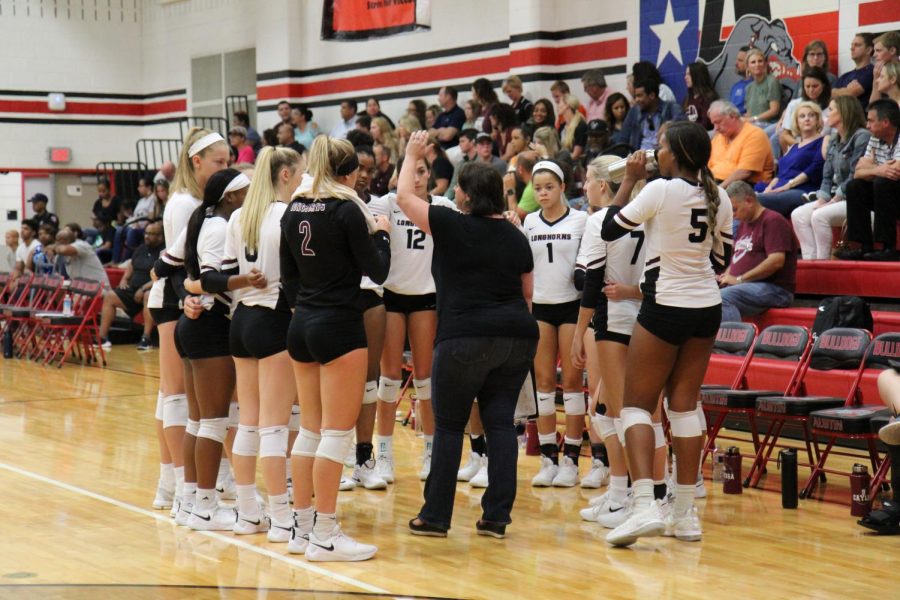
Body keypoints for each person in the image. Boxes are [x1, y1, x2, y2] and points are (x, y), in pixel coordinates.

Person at [398, 130, 537, 539]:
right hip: (517, 337)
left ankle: (436, 517)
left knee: (447, 426)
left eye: (459, 188)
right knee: (499, 424)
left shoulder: (450, 224)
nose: (455, 193)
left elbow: (406, 198)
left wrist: (409, 154)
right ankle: (496, 518)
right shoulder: (516, 234)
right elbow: (529, 295)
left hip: (463, 336)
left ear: (470, 197)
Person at [600, 121, 733, 547]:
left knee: (636, 406)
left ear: (674, 154)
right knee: (684, 408)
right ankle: (684, 513)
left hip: (666, 306)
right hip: (706, 308)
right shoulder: (722, 195)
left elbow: (609, 231)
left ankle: (642, 507)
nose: (655, 152)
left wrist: (632, 182)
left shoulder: (659, 189)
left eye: (660, 147)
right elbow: (722, 258)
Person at [280, 135, 391, 561]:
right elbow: (378, 271)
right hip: (340, 325)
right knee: (336, 433)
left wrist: (303, 308)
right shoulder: (347, 209)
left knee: (309, 429)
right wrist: (381, 235)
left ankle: (301, 528)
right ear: (347, 172)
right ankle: (325, 533)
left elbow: (288, 275)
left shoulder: (294, 207)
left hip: (302, 324)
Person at [202, 147, 303, 541]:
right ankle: (280, 518)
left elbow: (224, 276)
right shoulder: (285, 215)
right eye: (298, 176)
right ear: (283, 176)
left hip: (240, 322)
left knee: (247, 423)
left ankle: (247, 513)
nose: (299, 183)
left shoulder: (239, 216)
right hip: (275, 320)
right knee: (275, 428)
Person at [154, 168, 250, 532]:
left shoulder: (200, 218)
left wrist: (186, 296)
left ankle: (190, 501)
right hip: (211, 327)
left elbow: (164, 266)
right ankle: (207, 506)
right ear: (230, 197)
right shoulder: (220, 227)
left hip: (191, 326)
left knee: (198, 421)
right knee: (212, 421)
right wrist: (243, 283)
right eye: (245, 193)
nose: (249, 198)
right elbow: (211, 278)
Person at [147, 127, 229, 517]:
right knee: (178, 396)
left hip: (180, 300)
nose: (225, 169)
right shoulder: (184, 203)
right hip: (174, 302)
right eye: (219, 162)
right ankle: (182, 485)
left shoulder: (196, 200)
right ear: (196, 162)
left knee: (172, 396)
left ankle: (169, 484)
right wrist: (188, 298)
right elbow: (177, 263)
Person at [369, 156, 455, 483]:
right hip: (391, 296)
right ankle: (385, 453)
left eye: (422, 172)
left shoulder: (443, 205)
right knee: (389, 379)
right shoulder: (387, 203)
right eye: (411, 172)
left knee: (425, 379)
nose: (417, 179)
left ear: (430, 174)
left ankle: (431, 451)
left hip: (426, 298)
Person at [572, 155, 648, 524]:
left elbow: (590, 283)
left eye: (588, 179)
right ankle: (626, 491)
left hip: (612, 319)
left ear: (605, 184)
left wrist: (577, 333)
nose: (584, 186)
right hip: (648, 320)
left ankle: (628, 494)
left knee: (609, 413)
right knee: (627, 412)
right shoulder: (650, 212)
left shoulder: (600, 220)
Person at [522, 160, 588, 487]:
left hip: (571, 307)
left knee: (573, 383)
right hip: (541, 309)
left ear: (563, 186)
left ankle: (572, 459)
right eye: (538, 188)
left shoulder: (581, 220)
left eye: (549, 187)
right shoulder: (530, 222)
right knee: (544, 384)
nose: (543, 193)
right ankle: (548, 457)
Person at [792, 96, 870, 260]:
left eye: (832, 109)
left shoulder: (861, 136)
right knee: (798, 215)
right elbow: (826, 176)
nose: (828, 113)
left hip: (854, 198)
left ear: (843, 113)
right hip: (834, 196)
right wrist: (822, 199)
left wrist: (835, 199)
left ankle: (822, 262)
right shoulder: (834, 140)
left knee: (819, 216)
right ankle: (809, 260)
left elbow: (855, 174)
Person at [719, 181, 798, 322]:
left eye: (735, 209)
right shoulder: (744, 224)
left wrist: (739, 279)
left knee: (722, 298)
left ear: (749, 201)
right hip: (747, 286)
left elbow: (776, 261)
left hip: (775, 289)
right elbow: (737, 256)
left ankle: (732, 343)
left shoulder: (773, 221)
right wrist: (727, 275)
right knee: (702, 295)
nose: (733, 215)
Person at [837, 99, 900, 261]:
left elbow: (895, 171)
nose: (867, 125)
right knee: (855, 186)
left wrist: (871, 168)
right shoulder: (874, 138)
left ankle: (888, 247)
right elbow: (858, 172)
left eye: (871, 120)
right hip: (886, 195)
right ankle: (864, 246)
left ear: (885, 122)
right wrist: (879, 169)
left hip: (894, 194)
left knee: (883, 183)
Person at [97, 221, 164, 350]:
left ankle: (146, 338)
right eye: (146, 233)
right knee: (110, 296)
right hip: (133, 288)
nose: (146, 236)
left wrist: (144, 288)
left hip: (152, 288)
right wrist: (124, 280)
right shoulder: (140, 248)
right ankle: (102, 337)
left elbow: (161, 275)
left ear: (160, 236)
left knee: (148, 295)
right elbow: (131, 266)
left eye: (151, 234)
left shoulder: (164, 251)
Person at [756, 101, 826, 217]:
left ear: (818, 119)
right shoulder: (793, 146)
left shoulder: (823, 141)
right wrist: (769, 188)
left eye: (811, 115)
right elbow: (779, 175)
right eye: (802, 116)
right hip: (781, 187)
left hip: (802, 189)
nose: (807, 119)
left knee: (754, 201)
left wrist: (787, 186)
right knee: (747, 196)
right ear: (797, 122)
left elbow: (814, 169)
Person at [708, 100, 775, 187]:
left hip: (743, 185)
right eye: (713, 124)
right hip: (716, 182)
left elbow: (744, 173)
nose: (716, 128)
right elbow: (708, 166)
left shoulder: (755, 135)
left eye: (719, 122)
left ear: (732, 116)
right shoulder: (719, 137)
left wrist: (718, 190)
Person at [771, 67, 832, 157]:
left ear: (823, 85)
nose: (811, 90)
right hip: (797, 149)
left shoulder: (832, 106)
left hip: (821, 151)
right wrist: (802, 145)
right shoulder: (794, 104)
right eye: (807, 86)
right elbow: (785, 135)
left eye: (815, 86)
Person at [613, 79, 684, 151]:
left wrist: (669, 124)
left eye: (639, 96)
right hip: (639, 157)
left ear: (652, 95)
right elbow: (623, 139)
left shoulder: (671, 107)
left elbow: (684, 125)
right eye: (636, 96)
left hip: (661, 155)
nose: (636, 100)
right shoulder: (634, 111)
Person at [46, 226, 110, 286]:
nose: (57, 243)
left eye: (59, 240)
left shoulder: (81, 245)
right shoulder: (61, 255)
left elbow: (63, 250)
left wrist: (53, 247)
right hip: (82, 289)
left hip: (98, 288)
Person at [832, 33, 875, 109]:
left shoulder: (872, 71)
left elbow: (851, 93)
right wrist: (847, 91)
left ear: (868, 50)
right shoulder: (845, 76)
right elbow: (831, 94)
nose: (852, 48)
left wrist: (842, 91)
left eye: (857, 45)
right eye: (852, 45)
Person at [743, 48, 782, 126]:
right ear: (747, 67)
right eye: (753, 62)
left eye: (760, 61)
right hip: (753, 124)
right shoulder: (749, 88)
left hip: (769, 125)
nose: (757, 64)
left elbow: (774, 110)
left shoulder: (772, 81)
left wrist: (753, 119)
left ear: (764, 64)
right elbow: (749, 113)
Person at [683, 62, 718, 130]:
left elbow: (706, 124)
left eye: (689, 74)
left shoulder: (708, 98)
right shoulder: (687, 99)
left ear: (698, 76)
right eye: (686, 74)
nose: (685, 77)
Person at [504, 150, 539, 219]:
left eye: (515, 166)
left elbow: (515, 216)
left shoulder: (532, 187)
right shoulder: (536, 179)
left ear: (520, 169)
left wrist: (510, 190)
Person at [869, 32, 900, 108]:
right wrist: (876, 77)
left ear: (892, 51)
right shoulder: (878, 71)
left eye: (878, 50)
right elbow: (873, 108)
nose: (874, 55)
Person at [558, 95, 588, 161]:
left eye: (559, 103)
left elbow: (576, 155)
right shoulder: (562, 126)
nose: (557, 106)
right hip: (564, 161)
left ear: (567, 105)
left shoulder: (581, 126)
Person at [729, 46, 752, 114]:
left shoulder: (756, 85)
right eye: (737, 60)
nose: (736, 64)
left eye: (740, 61)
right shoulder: (735, 86)